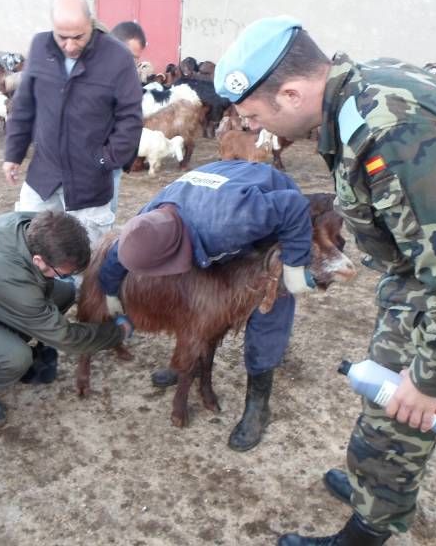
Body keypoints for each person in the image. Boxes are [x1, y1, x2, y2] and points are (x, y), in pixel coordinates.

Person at [214, 16, 436, 545]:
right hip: (429, 285)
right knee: (384, 411)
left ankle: (366, 529)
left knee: (396, 426)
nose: (256, 129)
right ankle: (376, 488)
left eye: (255, 115)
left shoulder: (387, 136)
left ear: (295, 93)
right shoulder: (378, 79)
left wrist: (428, 381)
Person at [99, 159, 317, 451]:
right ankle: (185, 362)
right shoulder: (147, 220)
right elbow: (118, 254)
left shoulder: (229, 222)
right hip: (221, 190)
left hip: (274, 208)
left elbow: (293, 205)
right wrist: (111, 292)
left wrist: (294, 264)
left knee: (265, 308)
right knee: (199, 302)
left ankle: (257, 406)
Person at [0, 210, 133, 429]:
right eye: (62, 272)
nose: (67, 275)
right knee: (15, 357)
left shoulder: (34, 225)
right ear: (38, 260)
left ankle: (11, 342)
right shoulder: (15, 285)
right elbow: (67, 338)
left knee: (65, 292)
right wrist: (118, 332)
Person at [2, 0, 143, 248]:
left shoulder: (117, 57)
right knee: (31, 250)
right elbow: (24, 105)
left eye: (78, 37)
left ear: (91, 23)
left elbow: (130, 118)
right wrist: (13, 153)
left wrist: (105, 160)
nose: (69, 46)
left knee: (85, 261)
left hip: (89, 184)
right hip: (43, 177)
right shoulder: (39, 46)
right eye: (62, 37)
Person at [109, 20, 148, 215]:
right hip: (95, 165)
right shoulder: (92, 78)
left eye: (136, 59)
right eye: (130, 57)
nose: (133, 64)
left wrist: (122, 158)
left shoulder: (126, 79)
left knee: (107, 217)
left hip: (112, 164)